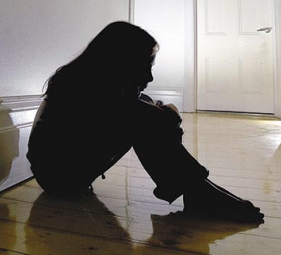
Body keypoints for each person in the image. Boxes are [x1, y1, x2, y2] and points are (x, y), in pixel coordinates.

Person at [27, 21, 264, 223]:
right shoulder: (88, 88)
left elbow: (140, 108)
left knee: (144, 109)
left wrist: (158, 113)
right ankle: (198, 192)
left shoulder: (85, 78)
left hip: (58, 175)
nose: (150, 76)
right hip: (60, 180)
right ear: (123, 62)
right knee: (144, 118)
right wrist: (165, 113)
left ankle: (197, 190)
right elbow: (157, 118)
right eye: (145, 66)